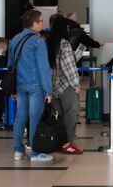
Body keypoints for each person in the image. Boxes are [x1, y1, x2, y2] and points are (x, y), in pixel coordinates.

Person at [11, 10, 54, 162]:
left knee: (20, 117)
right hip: (36, 86)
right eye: (41, 21)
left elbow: (10, 65)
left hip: (20, 85)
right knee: (34, 118)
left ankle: (18, 151)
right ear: (35, 23)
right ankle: (35, 152)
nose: (43, 23)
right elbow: (44, 68)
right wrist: (48, 91)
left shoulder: (15, 39)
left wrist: (12, 88)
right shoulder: (38, 42)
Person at [46, 16, 82, 154]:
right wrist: (76, 84)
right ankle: (68, 142)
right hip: (65, 85)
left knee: (57, 115)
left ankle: (57, 140)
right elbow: (68, 66)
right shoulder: (64, 44)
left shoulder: (47, 42)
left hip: (51, 86)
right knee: (71, 113)